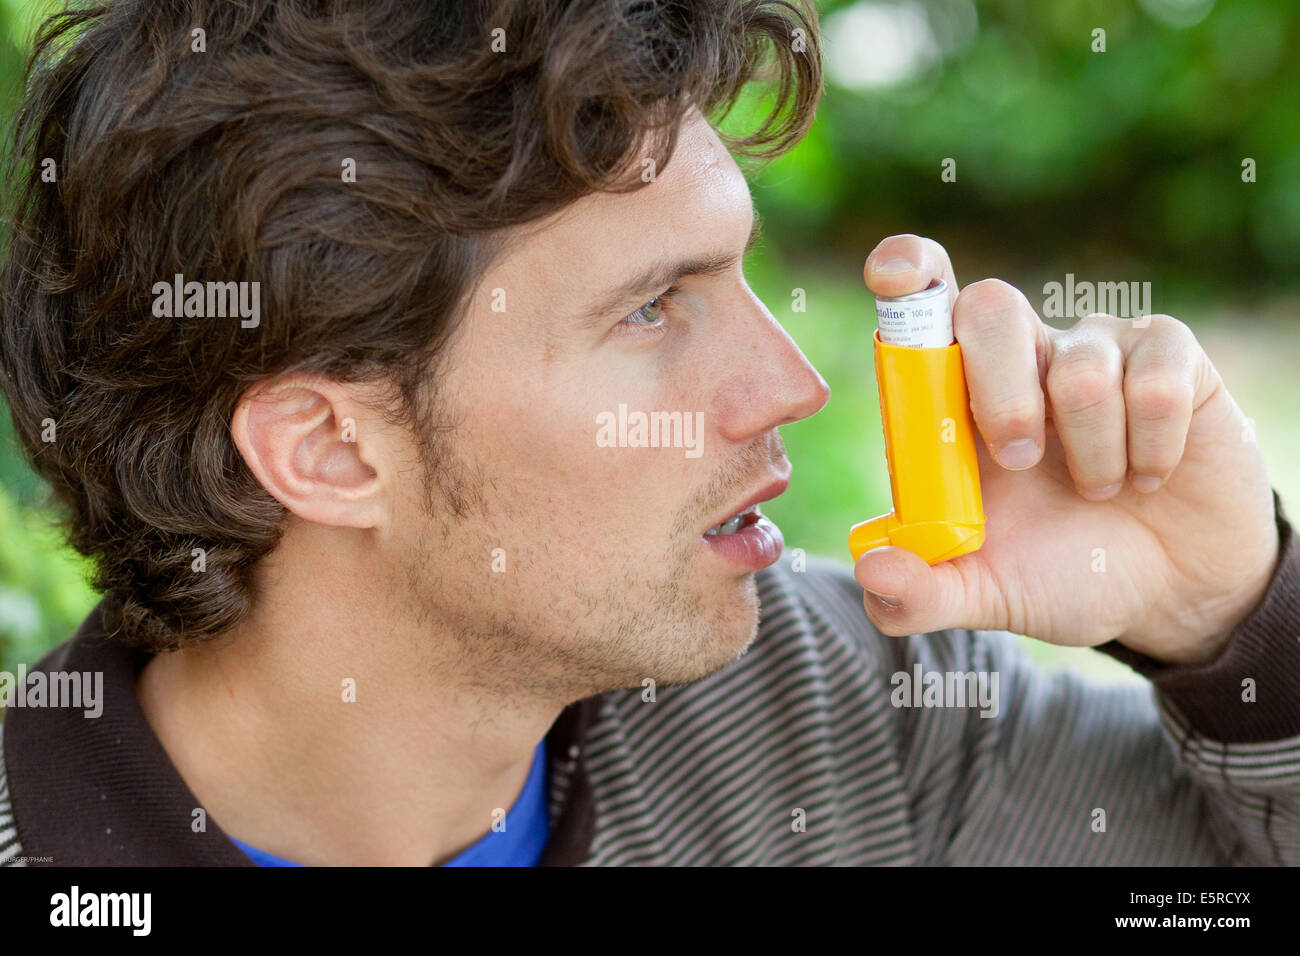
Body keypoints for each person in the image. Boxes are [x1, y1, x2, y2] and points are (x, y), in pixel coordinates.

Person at [0, 0, 1295, 867]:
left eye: (740, 273)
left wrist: (1239, 621)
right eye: (653, 309)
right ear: (330, 450)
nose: (794, 384)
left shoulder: (828, 702)